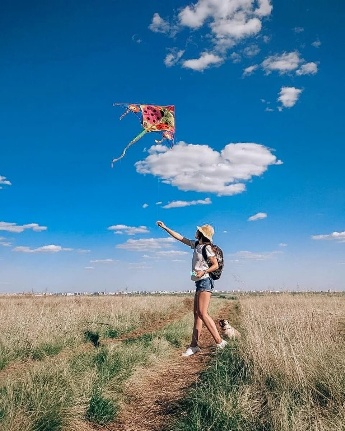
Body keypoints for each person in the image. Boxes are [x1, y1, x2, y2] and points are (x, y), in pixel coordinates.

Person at [156, 221, 227, 356]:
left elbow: (215, 265)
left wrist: (204, 272)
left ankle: (220, 342)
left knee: (202, 313)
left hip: (205, 281)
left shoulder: (207, 248)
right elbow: (180, 238)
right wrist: (165, 227)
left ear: (201, 234)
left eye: (198, 231)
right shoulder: (196, 245)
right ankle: (194, 346)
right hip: (199, 282)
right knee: (197, 314)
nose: (196, 231)